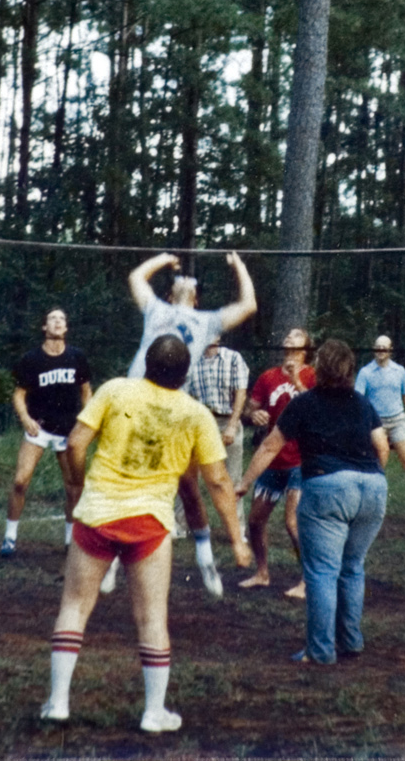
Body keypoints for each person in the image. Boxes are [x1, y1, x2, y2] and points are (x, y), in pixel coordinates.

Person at [39, 336, 251, 733]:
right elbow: (219, 482)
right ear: (185, 375)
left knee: (73, 608)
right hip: (150, 525)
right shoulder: (196, 414)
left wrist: (82, 486)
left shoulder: (115, 389)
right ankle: (154, 712)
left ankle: (58, 702)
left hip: (97, 517)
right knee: (152, 618)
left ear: (146, 365)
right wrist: (237, 540)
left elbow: (76, 443)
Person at [113, 251, 256, 598]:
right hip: (136, 399)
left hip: (172, 406)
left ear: (195, 297)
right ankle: (114, 559)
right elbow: (136, 278)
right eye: (178, 280)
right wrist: (163, 259)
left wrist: (239, 266)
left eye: (189, 282)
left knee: (190, 487)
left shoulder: (207, 321)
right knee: (123, 480)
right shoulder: (156, 310)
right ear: (171, 293)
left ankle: (206, 557)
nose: (184, 280)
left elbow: (248, 304)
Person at [239, 339, 389, 665]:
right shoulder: (363, 404)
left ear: (319, 369)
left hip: (327, 487)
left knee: (321, 571)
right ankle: (350, 642)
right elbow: (383, 446)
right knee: (352, 568)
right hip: (374, 487)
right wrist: (370, 476)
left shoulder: (305, 403)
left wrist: (245, 483)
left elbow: (269, 447)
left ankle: (320, 651)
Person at [0, 308, 92, 557]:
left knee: (74, 486)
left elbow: (86, 391)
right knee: (20, 481)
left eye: (62, 318)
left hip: (68, 429)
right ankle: (9, 539)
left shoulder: (76, 357)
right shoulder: (32, 359)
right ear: (44, 327)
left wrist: (87, 421)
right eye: (53, 318)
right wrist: (25, 418)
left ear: (66, 327)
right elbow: (19, 395)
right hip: (40, 427)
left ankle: (70, 541)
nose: (58, 322)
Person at [238, 328, 317, 597]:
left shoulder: (313, 375)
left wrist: (296, 380)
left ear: (306, 347)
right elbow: (251, 407)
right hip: (273, 460)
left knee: (292, 521)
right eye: (288, 333)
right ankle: (262, 573)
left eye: (297, 334)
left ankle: (308, 580)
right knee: (255, 520)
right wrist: (255, 414)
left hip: (302, 459)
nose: (289, 336)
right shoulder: (268, 376)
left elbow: (318, 406)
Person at [354, 336, 405, 517]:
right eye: (377, 347)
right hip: (376, 424)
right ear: (374, 349)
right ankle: (368, 504)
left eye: (384, 348)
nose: (381, 351)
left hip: (398, 420)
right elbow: (358, 400)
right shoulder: (366, 373)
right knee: (377, 463)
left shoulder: (399, 371)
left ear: (390, 350)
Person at [183, 335, 250, 531]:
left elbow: (241, 393)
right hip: (200, 423)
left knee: (231, 478)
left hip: (228, 419)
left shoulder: (233, 358)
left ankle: (236, 529)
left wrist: (232, 424)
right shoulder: (191, 361)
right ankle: (182, 526)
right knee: (187, 477)